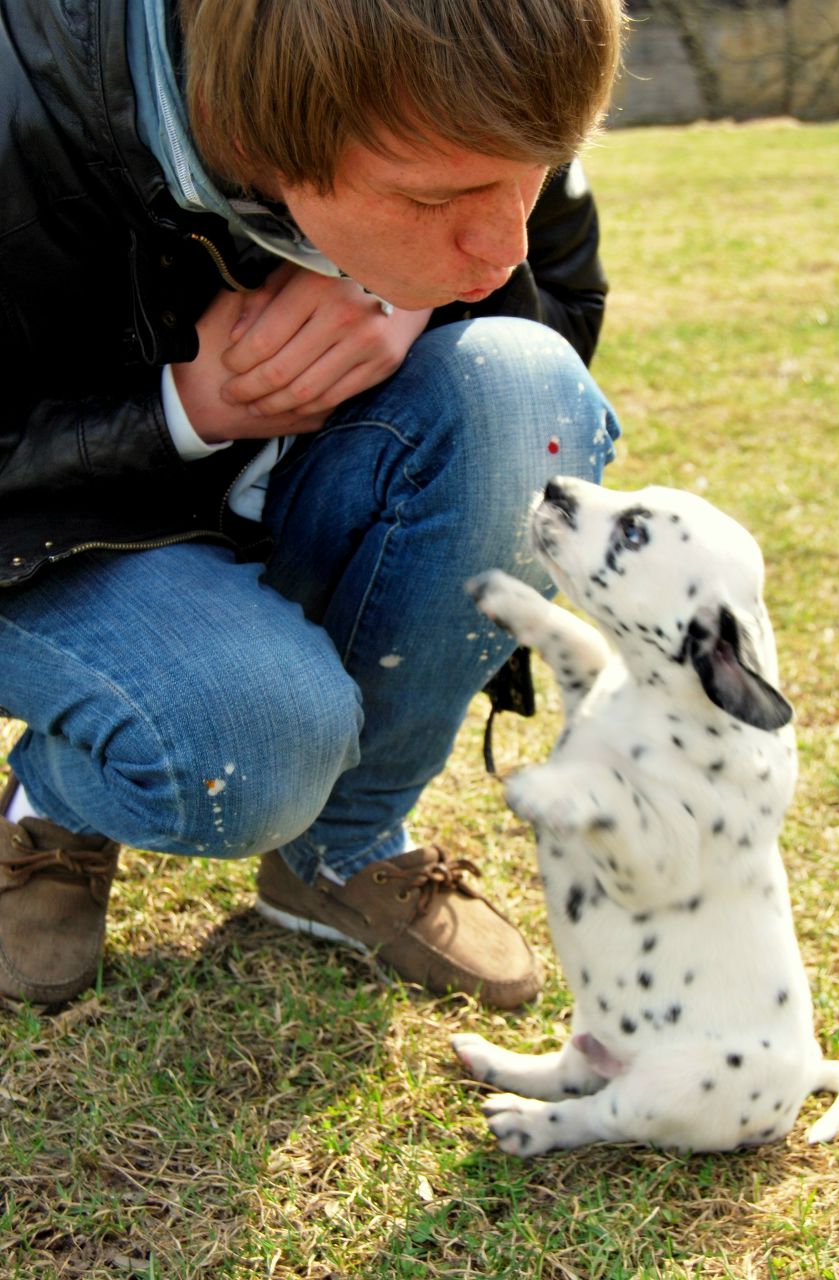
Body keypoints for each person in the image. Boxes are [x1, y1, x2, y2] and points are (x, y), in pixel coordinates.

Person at [0, 0, 624, 1009]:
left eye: (537, 173)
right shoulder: (18, 100)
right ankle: (59, 804)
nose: (502, 243)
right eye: (436, 198)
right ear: (247, 136)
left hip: (299, 472)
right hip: (52, 532)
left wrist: (410, 290)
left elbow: (558, 289)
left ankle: (342, 849)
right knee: (248, 740)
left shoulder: (469, 90)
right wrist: (174, 413)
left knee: (527, 388)